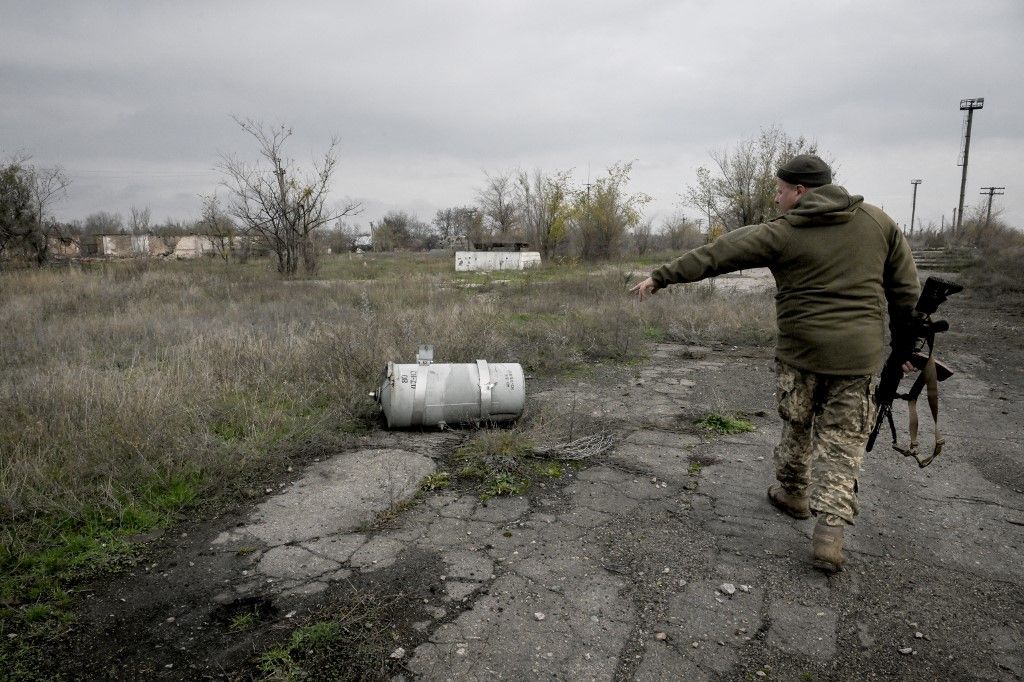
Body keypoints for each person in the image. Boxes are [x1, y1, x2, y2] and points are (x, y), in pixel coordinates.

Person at [630, 154, 920, 572]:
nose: (777, 196)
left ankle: (794, 493)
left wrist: (661, 276)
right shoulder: (878, 222)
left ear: (800, 191)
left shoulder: (782, 232)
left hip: (801, 352)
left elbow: (719, 253)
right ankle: (829, 534)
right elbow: (905, 290)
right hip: (858, 357)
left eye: (780, 189)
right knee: (843, 441)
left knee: (798, 424)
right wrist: (907, 347)